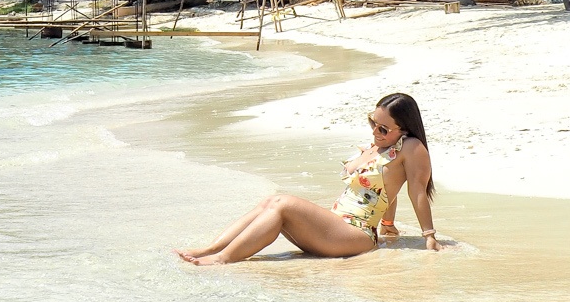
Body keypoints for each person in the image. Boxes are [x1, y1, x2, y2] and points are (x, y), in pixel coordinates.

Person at [175, 92, 439, 265]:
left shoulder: (411, 147)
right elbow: (383, 189)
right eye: (373, 122)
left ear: (403, 129)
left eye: (383, 128)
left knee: (284, 204)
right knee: (271, 201)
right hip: (337, 226)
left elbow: (416, 189)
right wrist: (389, 223)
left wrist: (429, 236)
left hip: (356, 234)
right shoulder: (379, 148)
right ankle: (211, 250)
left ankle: (223, 259)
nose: (375, 131)